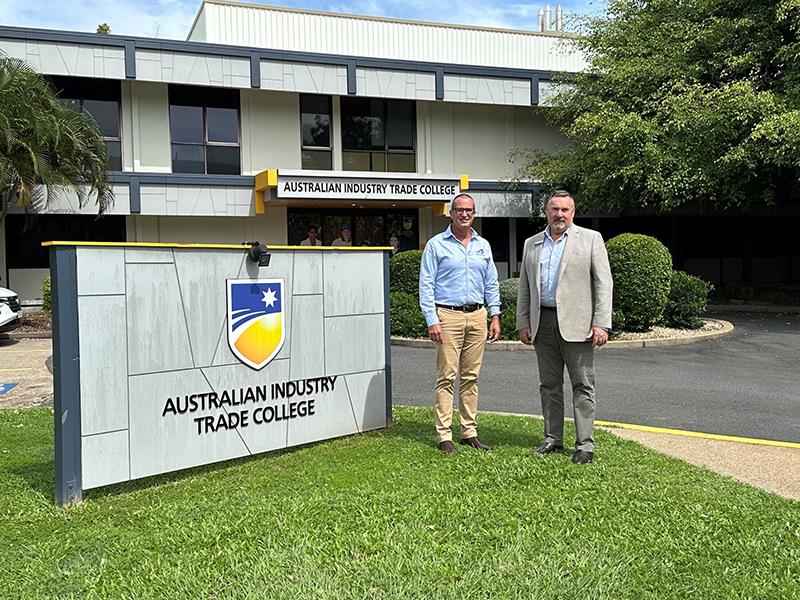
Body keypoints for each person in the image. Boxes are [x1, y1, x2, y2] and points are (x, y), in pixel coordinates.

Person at [516, 190, 613, 465]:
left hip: (579, 326)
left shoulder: (591, 239)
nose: (559, 214)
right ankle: (552, 438)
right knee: (549, 385)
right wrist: (523, 321)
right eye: (554, 209)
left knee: (583, 384)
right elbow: (524, 287)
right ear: (546, 211)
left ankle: (585, 445)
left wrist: (601, 323)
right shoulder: (531, 243)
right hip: (542, 323)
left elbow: (603, 284)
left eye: (565, 210)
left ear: (573, 212)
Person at [419, 193, 501, 453]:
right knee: (446, 377)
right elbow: (426, 284)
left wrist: (495, 314)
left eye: (469, 210)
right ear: (451, 213)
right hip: (448, 316)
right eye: (459, 210)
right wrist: (432, 320)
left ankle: (469, 431)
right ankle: (444, 435)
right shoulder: (436, 245)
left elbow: (491, 282)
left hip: (477, 316)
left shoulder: (482, 245)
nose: (464, 214)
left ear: (474, 214)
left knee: (471, 377)